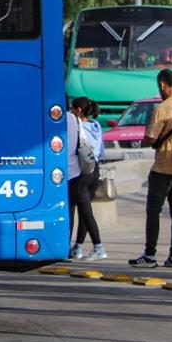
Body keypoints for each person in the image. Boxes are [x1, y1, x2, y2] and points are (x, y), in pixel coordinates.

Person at [129, 68, 172, 268]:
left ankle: (150, 255)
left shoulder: (162, 108)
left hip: (163, 166)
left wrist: (146, 138)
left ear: (163, 84)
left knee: (153, 210)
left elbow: (151, 138)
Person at [71, 100, 106, 260]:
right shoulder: (96, 126)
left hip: (81, 172)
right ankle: (77, 247)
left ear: (78, 110)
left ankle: (98, 247)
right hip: (95, 169)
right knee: (85, 210)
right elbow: (101, 152)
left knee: (80, 210)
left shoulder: (77, 126)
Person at [66, 96, 87, 257]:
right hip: (76, 171)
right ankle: (71, 245)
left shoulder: (57, 119)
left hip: (59, 173)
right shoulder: (77, 121)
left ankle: (64, 244)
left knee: (65, 210)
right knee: (74, 210)